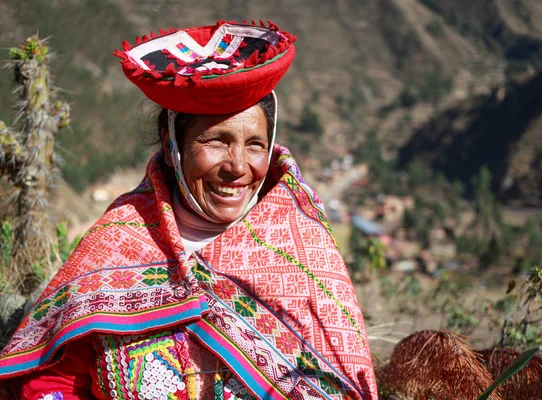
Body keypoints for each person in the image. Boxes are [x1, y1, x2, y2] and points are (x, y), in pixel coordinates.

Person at [0, 20, 377, 399]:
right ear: (171, 146)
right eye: (216, 141)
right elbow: (55, 380)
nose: (238, 166)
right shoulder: (116, 244)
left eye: (255, 144)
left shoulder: (303, 249)